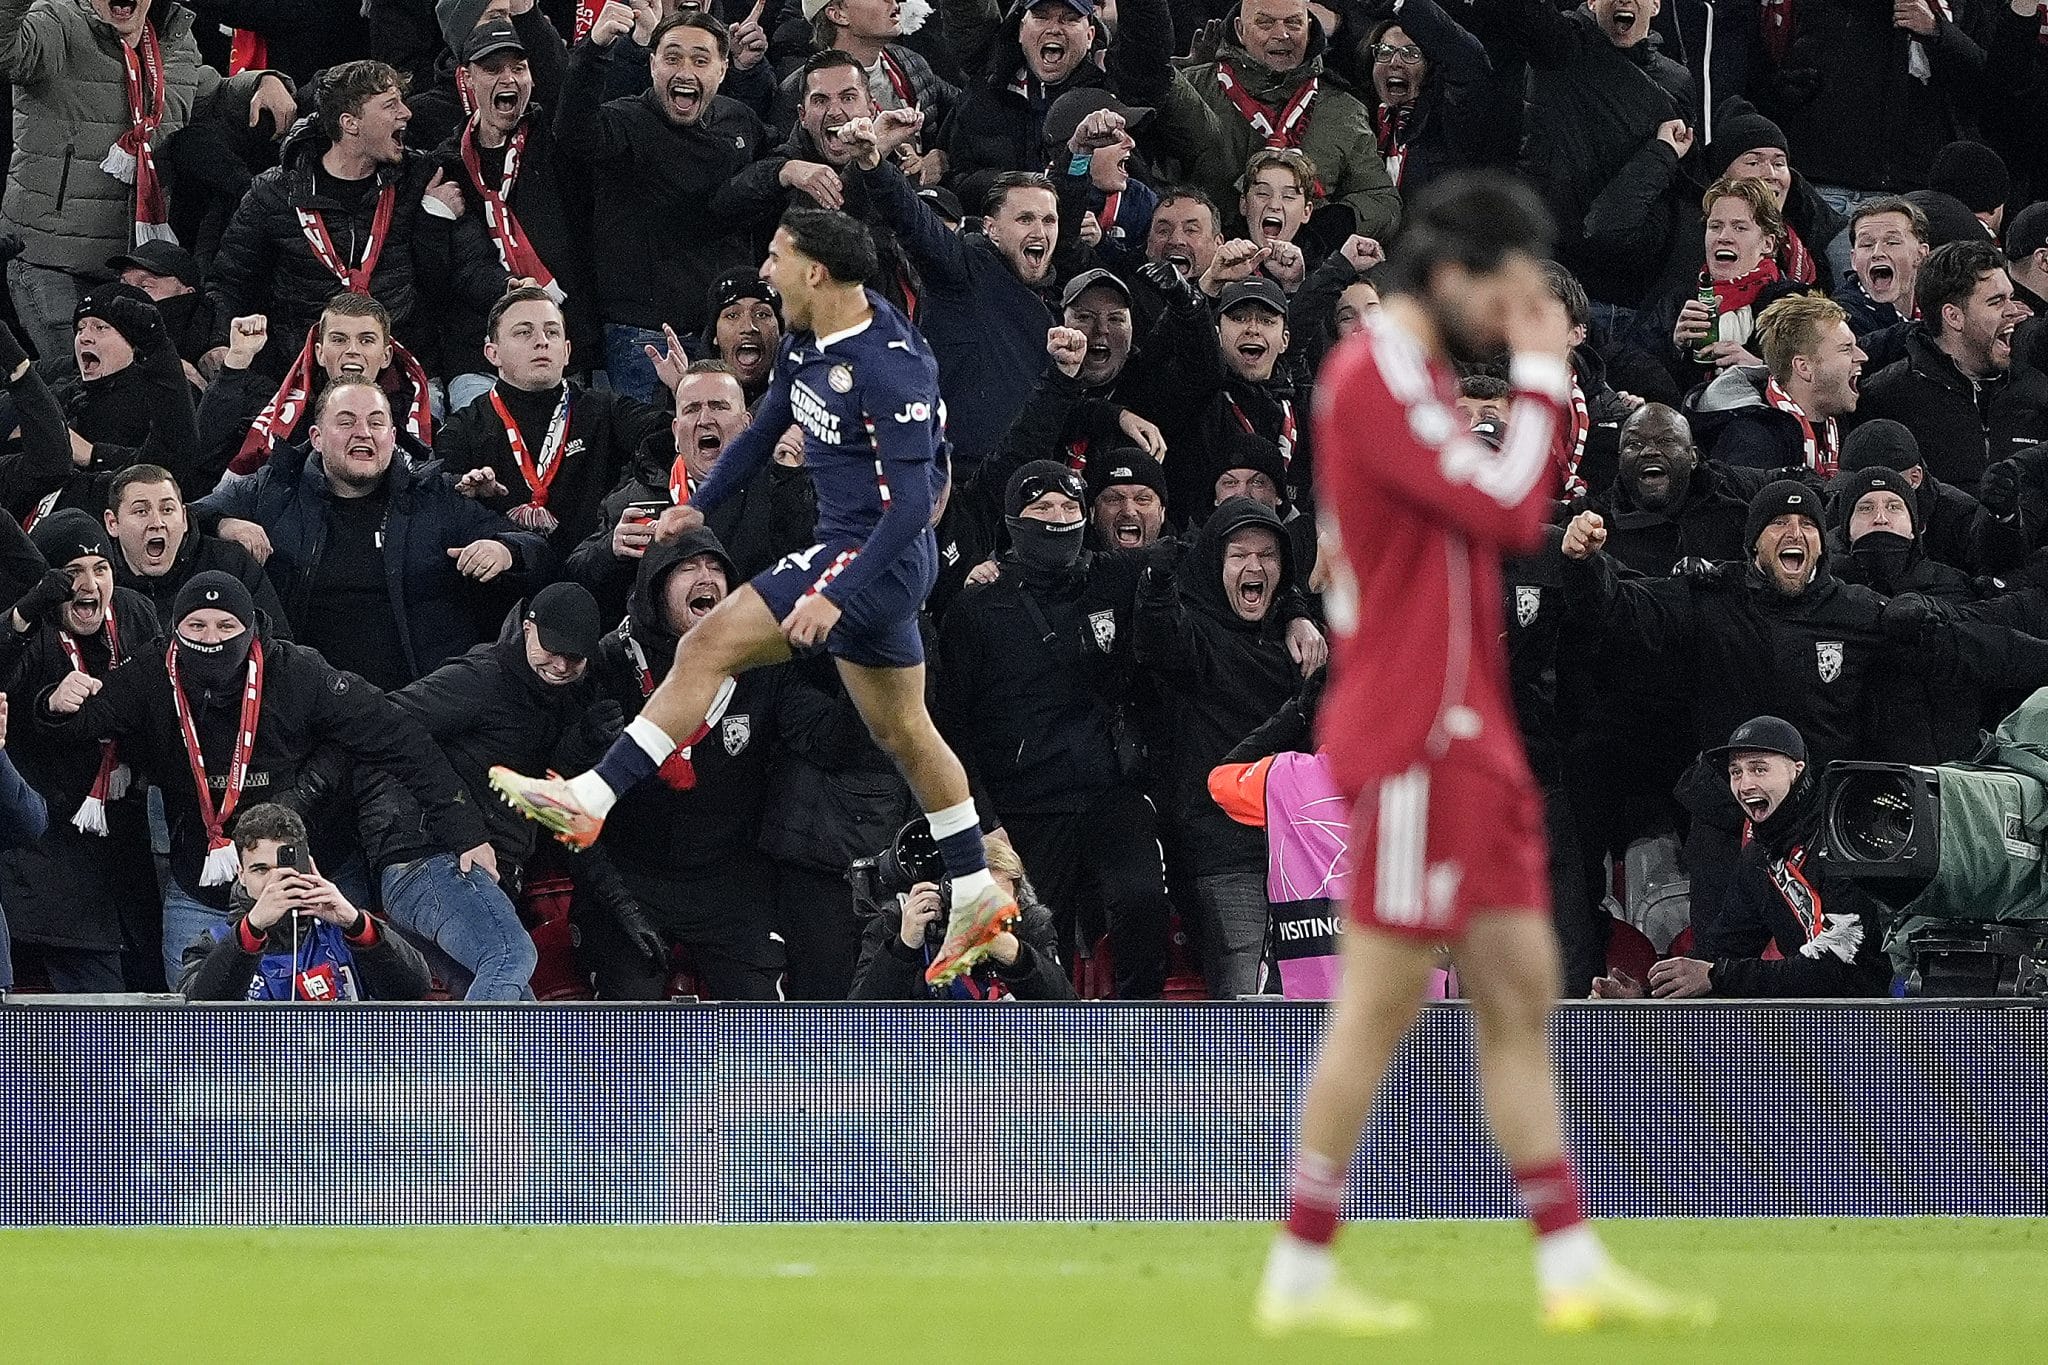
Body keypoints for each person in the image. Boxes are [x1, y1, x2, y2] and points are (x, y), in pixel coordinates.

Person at [1256, 173, 1705, 1336]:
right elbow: (1512, 512)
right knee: (1381, 1003)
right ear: (1453, 283)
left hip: (1475, 733)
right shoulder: (1370, 380)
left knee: (1519, 993)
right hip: (1410, 736)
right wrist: (1555, 374)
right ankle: (1298, 1271)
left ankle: (1566, 1262)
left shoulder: (1415, 386)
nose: (1516, 321)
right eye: (1506, 298)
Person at [490, 207, 1021, 988]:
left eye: (775, 258)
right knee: (908, 732)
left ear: (815, 271)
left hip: (875, 561)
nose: (764, 273)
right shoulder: (808, 340)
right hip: (845, 554)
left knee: (707, 646)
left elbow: (911, 508)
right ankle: (976, 888)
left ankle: (591, 795)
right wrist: (699, 506)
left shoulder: (892, 364)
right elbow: (764, 422)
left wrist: (837, 596)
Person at [43, 571, 495, 984]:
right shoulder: (150, 673)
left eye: (225, 627)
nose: (211, 639)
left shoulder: (297, 671)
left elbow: (397, 735)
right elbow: (77, 727)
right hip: (201, 889)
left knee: (351, 1027)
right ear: (176, 631)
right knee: (200, 1037)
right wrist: (53, 703)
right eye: (196, 627)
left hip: (315, 877)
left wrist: (465, 829)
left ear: (251, 629)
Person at [935, 461, 1173, 995]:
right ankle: (1040, 1066)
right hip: (1023, 809)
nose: (1057, 520)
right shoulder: (976, 608)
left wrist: (1297, 609)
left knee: (1142, 902)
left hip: (1109, 794)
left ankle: (1145, 1041)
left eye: (1069, 509)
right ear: (1014, 521)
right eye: (1042, 510)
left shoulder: (1114, 578)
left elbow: (1198, 558)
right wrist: (983, 818)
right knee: (1039, 944)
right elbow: (951, 727)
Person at [194, 381, 551, 689]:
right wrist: (223, 523)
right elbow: (187, 516)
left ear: (392, 438)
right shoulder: (272, 491)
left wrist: (505, 551)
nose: (363, 432)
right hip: (309, 701)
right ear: (316, 438)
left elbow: (537, 550)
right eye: (346, 421)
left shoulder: (434, 495)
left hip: (421, 699)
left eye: (376, 422)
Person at [0, 0, 293, 359]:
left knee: (133, 390)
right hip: (52, 262)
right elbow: (6, 48)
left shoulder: (174, 40)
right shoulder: (57, 23)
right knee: (83, 380)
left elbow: (205, 94)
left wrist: (262, 82)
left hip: (132, 267)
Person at [576, 529, 793, 999]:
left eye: (716, 568)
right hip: (634, 877)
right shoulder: (611, 660)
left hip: (728, 880)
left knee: (769, 1026)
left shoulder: (759, 659)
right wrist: (584, 738)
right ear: (656, 586)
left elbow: (821, 735)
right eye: (688, 567)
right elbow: (563, 770)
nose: (706, 577)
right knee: (624, 1013)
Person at [205, 59, 497, 374]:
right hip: (304, 372)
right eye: (390, 105)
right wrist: (219, 341)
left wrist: (509, 289)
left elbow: (471, 267)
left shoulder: (421, 179)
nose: (407, 112)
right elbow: (230, 280)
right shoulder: (275, 193)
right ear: (350, 123)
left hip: (404, 369)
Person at [1133, 496, 1309, 1000]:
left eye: (1268, 556)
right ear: (1214, 563)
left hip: (1303, 849)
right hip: (1223, 853)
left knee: (1316, 994)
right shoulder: (1194, 630)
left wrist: (1298, 613)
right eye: (1239, 555)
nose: (1255, 567)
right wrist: (1157, 586)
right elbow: (1161, 639)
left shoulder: (1297, 637)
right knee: (1247, 1003)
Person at [1590, 718, 1892, 1000]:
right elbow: (1719, 952)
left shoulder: (1843, 838)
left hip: (1882, 1023)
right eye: (1736, 772)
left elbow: (1837, 969)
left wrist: (1718, 975)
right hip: (1814, 1021)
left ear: (1797, 770)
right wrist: (1647, 998)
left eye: (1759, 769)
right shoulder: (1760, 855)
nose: (1745, 784)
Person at [555, 6, 767, 402]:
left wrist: (791, 167)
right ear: (652, 64)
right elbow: (573, 133)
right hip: (642, 336)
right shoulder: (624, 121)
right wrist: (596, 49)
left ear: (723, 69)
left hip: (721, 331)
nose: (685, 71)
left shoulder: (740, 120)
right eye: (672, 57)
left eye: (700, 60)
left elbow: (773, 176)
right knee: (650, 453)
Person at [0, 512, 160, 992]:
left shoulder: (133, 614)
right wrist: (47, 704)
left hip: (123, 849)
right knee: (84, 1025)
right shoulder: (30, 621)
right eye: (72, 572)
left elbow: (157, 697)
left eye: (101, 568)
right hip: (47, 854)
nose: (88, 584)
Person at [1123, 0, 1401, 249]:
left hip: (1306, 276)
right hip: (1202, 272)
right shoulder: (1194, 87)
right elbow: (1142, 65)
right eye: (1265, 23)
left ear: (1310, 27)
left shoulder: (1343, 110)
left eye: (1293, 23)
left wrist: (1333, 225)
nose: (1282, 35)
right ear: (1240, 30)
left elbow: (1382, 200)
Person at [436, 286, 668, 556]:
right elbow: (439, 497)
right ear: (492, 353)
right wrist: (470, 496)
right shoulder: (464, 427)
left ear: (567, 351)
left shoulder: (604, 408)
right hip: (504, 578)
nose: (541, 341)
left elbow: (671, 440)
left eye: (552, 332)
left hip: (592, 572)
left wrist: (683, 393)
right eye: (524, 332)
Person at [432, 12, 587, 410]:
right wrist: (507, 290)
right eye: (491, 69)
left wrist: (528, 13)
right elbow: (455, 263)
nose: (508, 79)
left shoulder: (554, 140)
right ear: (467, 78)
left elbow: (565, 85)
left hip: (563, 349)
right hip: (477, 354)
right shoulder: (447, 163)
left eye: (518, 68)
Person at [177, 803, 432, 1001]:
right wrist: (252, 928)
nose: (274, 882)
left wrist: (355, 922)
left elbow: (414, 989)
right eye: (261, 870)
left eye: (284, 868)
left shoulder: (347, 932)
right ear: (240, 873)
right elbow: (198, 1014)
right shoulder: (212, 944)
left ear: (307, 865)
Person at [1854, 240, 2045, 493]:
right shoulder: (1884, 400)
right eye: (1997, 301)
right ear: (1953, 316)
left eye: (2011, 297)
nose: (2014, 311)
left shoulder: (2038, 392)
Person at [198, 291, 435, 492]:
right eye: (339, 339)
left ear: (386, 356)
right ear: (319, 352)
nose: (352, 350)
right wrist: (236, 363)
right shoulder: (279, 413)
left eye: (366, 340)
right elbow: (204, 454)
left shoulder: (416, 421)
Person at [848, 835, 1075, 999]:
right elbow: (856, 1025)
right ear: (946, 890)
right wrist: (904, 948)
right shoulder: (897, 924)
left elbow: (1067, 1017)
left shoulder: (1030, 926)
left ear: (1017, 900)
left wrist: (1015, 956)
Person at [102, 464, 289, 637]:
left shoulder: (232, 564)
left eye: (167, 509)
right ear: (113, 523)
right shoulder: (98, 579)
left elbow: (278, 645)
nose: (157, 523)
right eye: (141, 511)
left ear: (184, 518)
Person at [1691, 294, 1865, 476]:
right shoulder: (1751, 441)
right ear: (1804, 368)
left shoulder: (1839, 423)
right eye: (1846, 348)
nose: (1862, 356)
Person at [1832, 197, 1931, 339]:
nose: (1877, 253)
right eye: (1866, 244)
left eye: (1892, 242)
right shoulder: (1842, 320)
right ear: (1853, 259)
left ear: (1921, 255)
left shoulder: (1944, 302)